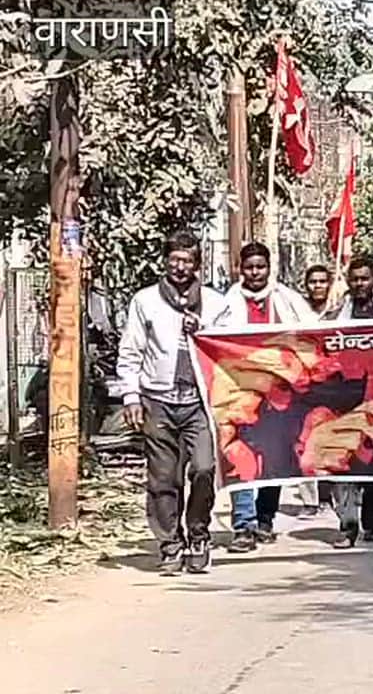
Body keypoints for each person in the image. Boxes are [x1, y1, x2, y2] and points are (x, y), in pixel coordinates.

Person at [118, 231, 229, 574]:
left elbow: (229, 349)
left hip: (199, 402)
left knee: (204, 469)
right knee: (164, 478)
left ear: (198, 264)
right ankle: (170, 544)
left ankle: (198, 533)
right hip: (158, 401)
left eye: (187, 261)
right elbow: (131, 351)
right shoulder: (145, 301)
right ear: (165, 261)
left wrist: (203, 330)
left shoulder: (216, 304)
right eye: (174, 260)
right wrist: (131, 396)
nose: (180, 268)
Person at [217, 242, 311, 553]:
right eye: (249, 267)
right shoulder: (224, 305)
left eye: (260, 267)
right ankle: (243, 524)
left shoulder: (289, 301)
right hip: (239, 392)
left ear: (270, 268)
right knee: (239, 454)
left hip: (279, 394)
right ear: (239, 269)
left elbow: (312, 333)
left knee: (274, 456)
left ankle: (266, 518)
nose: (255, 273)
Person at [323, 256, 373, 548]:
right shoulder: (333, 319)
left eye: (365, 278)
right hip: (342, 401)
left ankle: (372, 521)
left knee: (372, 464)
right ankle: (347, 525)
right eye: (354, 279)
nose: (359, 284)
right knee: (342, 465)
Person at [297, 265, 333, 515]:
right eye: (313, 281)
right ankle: (310, 500)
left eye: (322, 281)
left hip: (333, 387)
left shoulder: (340, 312)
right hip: (304, 386)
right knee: (304, 443)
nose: (317, 286)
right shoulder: (296, 312)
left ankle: (329, 495)